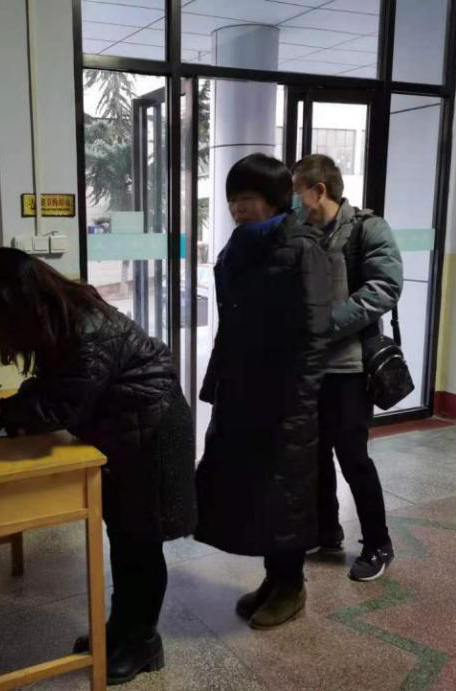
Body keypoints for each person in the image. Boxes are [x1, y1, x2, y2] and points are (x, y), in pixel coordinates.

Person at [0, 247, 197, 685]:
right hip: (129, 431)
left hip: (153, 433)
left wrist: (2, 415)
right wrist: (4, 408)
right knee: (125, 539)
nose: (0, 330)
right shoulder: (63, 314)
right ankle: (121, 629)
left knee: (141, 543)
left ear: (17, 305)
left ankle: (144, 642)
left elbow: (62, 405)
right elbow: (54, 386)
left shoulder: (85, 328)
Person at [194, 153, 331, 629]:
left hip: (285, 397)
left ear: (273, 199)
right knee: (257, 489)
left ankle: (291, 586)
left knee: (285, 490)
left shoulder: (303, 249)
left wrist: (300, 404)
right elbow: (231, 326)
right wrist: (217, 385)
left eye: (248, 198)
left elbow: (314, 335)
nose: (238, 208)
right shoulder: (238, 248)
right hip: (243, 391)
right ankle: (274, 579)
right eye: (233, 199)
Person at [291, 154, 403, 582]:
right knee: (314, 453)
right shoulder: (302, 232)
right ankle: (326, 531)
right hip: (310, 367)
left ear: (319, 189)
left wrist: (325, 325)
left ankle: (378, 544)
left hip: (350, 367)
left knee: (353, 457)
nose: (293, 201)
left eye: (297, 191)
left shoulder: (366, 229)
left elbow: (385, 287)